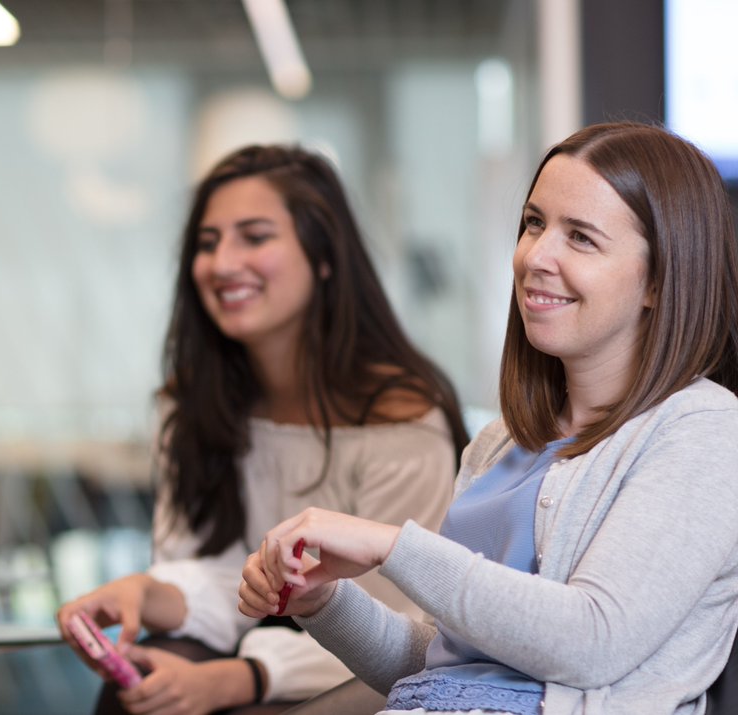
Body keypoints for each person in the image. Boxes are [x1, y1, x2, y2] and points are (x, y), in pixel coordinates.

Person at [240, 122, 738, 715]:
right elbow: (440, 666)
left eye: (580, 237)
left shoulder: (702, 429)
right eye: (534, 223)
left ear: (659, 278)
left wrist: (391, 547)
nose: (536, 256)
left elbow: (593, 641)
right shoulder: (497, 444)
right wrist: (323, 604)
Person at [58, 144, 469, 715]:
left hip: (369, 673)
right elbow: (221, 575)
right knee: (134, 691)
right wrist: (147, 594)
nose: (223, 263)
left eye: (254, 237)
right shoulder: (192, 403)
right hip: (248, 641)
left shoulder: (400, 417)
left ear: (324, 257)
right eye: (207, 243)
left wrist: (244, 678)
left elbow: (399, 631)